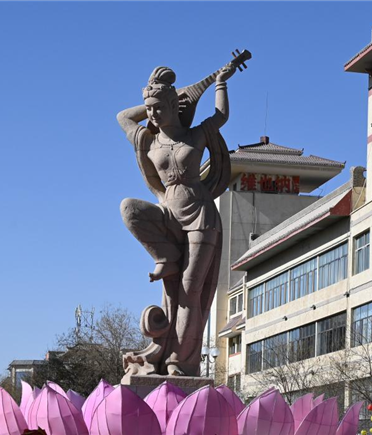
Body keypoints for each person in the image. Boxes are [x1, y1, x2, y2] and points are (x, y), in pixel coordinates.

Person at [117, 63, 236, 376]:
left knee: (189, 292)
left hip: (200, 215)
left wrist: (220, 83)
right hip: (168, 212)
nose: (153, 114)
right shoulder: (148, 139)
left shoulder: (196, 135)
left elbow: (221, 116)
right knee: (129, 208)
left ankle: (178, 361)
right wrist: (160, 98)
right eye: (149, 109)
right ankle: (166, 256)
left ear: (173, 106)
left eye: (159, 108)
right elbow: (123, 117)